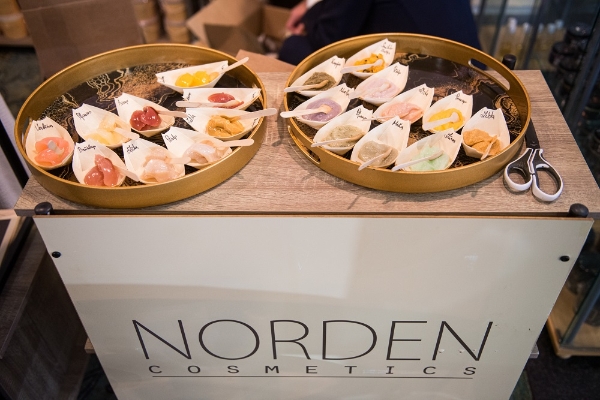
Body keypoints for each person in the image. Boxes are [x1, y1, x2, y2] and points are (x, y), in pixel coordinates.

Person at [278, 0, 481, 65]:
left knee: (293, 46)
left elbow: (327, 39)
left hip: (431, 78)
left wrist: (309, 19)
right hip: (476, 65)